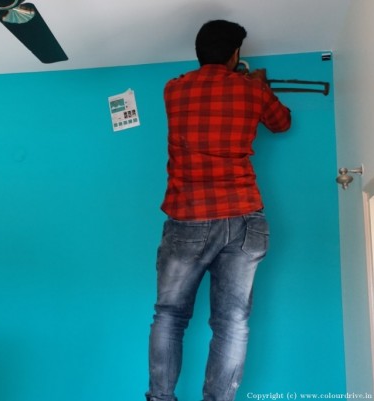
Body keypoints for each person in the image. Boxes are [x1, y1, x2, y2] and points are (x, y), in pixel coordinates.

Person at [146, 20, 291, 401]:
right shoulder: (252, 90)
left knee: (169, 315)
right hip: (243, 216)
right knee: (231, 323)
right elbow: (281, 123)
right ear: (235, 54)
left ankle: (160, 397)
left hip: (187, 216)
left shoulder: (173, 89)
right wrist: (258, 85)